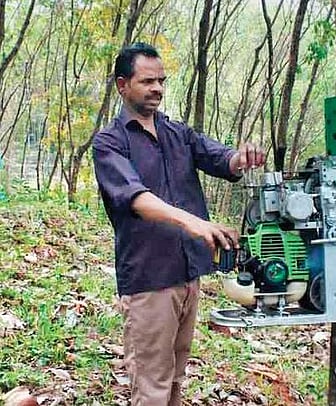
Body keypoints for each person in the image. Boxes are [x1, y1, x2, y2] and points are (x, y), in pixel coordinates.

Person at [92, 42, 265, 406]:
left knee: (175, 379)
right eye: (146, 81)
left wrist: (241, 157)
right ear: (123, 85)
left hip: (188, 274)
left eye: (161, 81)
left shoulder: (177, 133)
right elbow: (137, 199)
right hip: (150, 278)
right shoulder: (110, 142)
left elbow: (221, 158)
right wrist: (195, 223)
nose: (156, 88)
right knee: (151, 384)